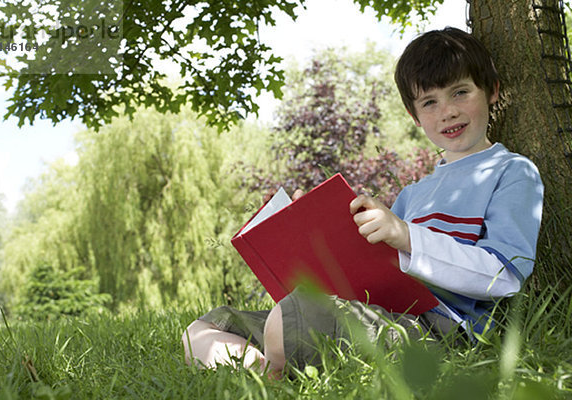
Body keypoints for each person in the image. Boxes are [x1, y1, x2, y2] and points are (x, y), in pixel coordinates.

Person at [181, 27, 544, 376]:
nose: (447, 111)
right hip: (381, 312)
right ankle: (268, 369)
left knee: (288, 319)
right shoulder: (413, 194)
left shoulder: (511, 172)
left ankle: (278, 359)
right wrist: (317, 229)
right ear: (414, 116)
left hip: (438, 331)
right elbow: (376, 269)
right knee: (204, 329)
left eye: (460, 92)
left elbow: (505, 277)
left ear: (492, 91)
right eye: (429, 102)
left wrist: (407, 236)